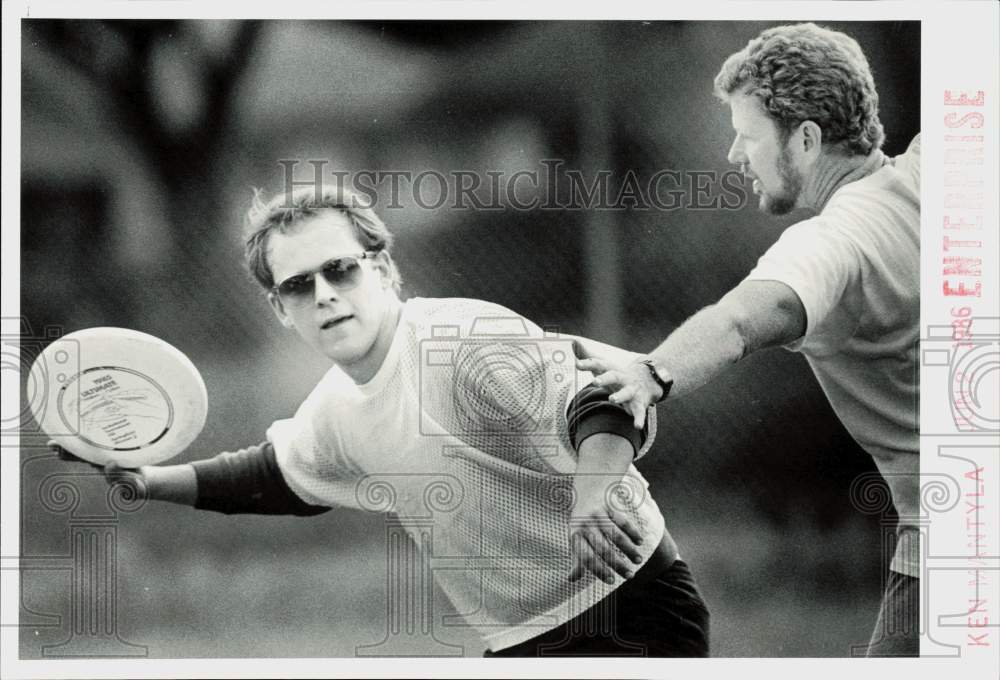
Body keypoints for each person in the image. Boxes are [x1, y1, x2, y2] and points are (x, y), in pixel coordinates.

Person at [55, 184, 709, 657]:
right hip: (519, 641)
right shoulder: (336, 407)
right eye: (297, 286)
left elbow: (601, 402)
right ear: (280, 310)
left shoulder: (463, 340)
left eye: (339, 269)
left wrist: (593, 493)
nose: (324, 295)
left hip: (634, 610)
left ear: (385, 269)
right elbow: (278, 475)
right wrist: (145, 479)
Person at [577, 23, 920, 657]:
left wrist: (651, 375)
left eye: (749, 134)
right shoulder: (937, 171)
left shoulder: (832, 244)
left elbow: (736, 323)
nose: (736, 154)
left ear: (808, 139)